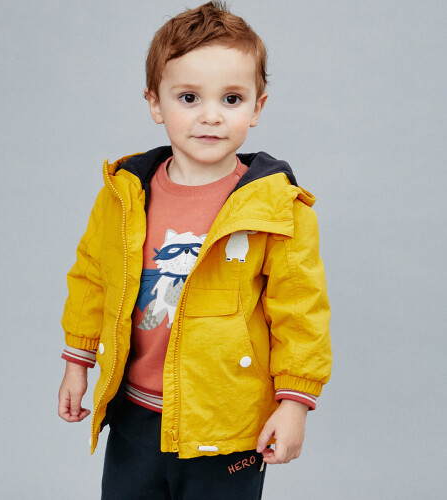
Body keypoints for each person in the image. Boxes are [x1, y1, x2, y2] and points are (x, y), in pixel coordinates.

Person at [57, 2, 332, 499]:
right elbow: (92, 277)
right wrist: (77, 363)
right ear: (155, 103)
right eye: (188, 97)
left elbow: (301, 312)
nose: (211, 116)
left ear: (257, 108)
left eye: (231, 98)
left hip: (227, 423)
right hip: (135, 416)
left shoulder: (277, 208)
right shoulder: (124, 195)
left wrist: (295, 402)